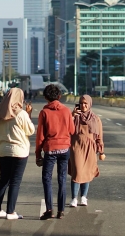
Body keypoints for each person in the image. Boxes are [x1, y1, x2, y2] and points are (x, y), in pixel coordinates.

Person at [0, 88, 35, 220]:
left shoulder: (0, 112)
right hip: (19, 151)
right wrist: (29, 114)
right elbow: (31, 131)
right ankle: (11, 212)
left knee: (3, 180)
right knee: (15, 182)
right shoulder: (21, 114)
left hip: (4, 151)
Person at [36, 84, 76, 220]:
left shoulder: (44, 112)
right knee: (62, 179)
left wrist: (37, 154)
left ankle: (49, 209)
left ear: (46, 97)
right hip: (65, 149)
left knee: (46, 178)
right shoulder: (66, 111)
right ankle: (61, 211)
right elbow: (72, 130)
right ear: (59, 96)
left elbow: (40, 136)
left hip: (51, 150)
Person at [69, 95, 105, 208]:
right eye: (81, 103)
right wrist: (72, 116)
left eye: (85, 103)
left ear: (89, 104)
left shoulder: (95, 118)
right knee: (78, 172)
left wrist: (101, 151)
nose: (83, 105)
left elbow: (99, 136)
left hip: (90, 148)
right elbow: (66, 129)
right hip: (76, 147)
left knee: (87, 172)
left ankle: (84, 197)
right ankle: (74, 198)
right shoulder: (75, 117)